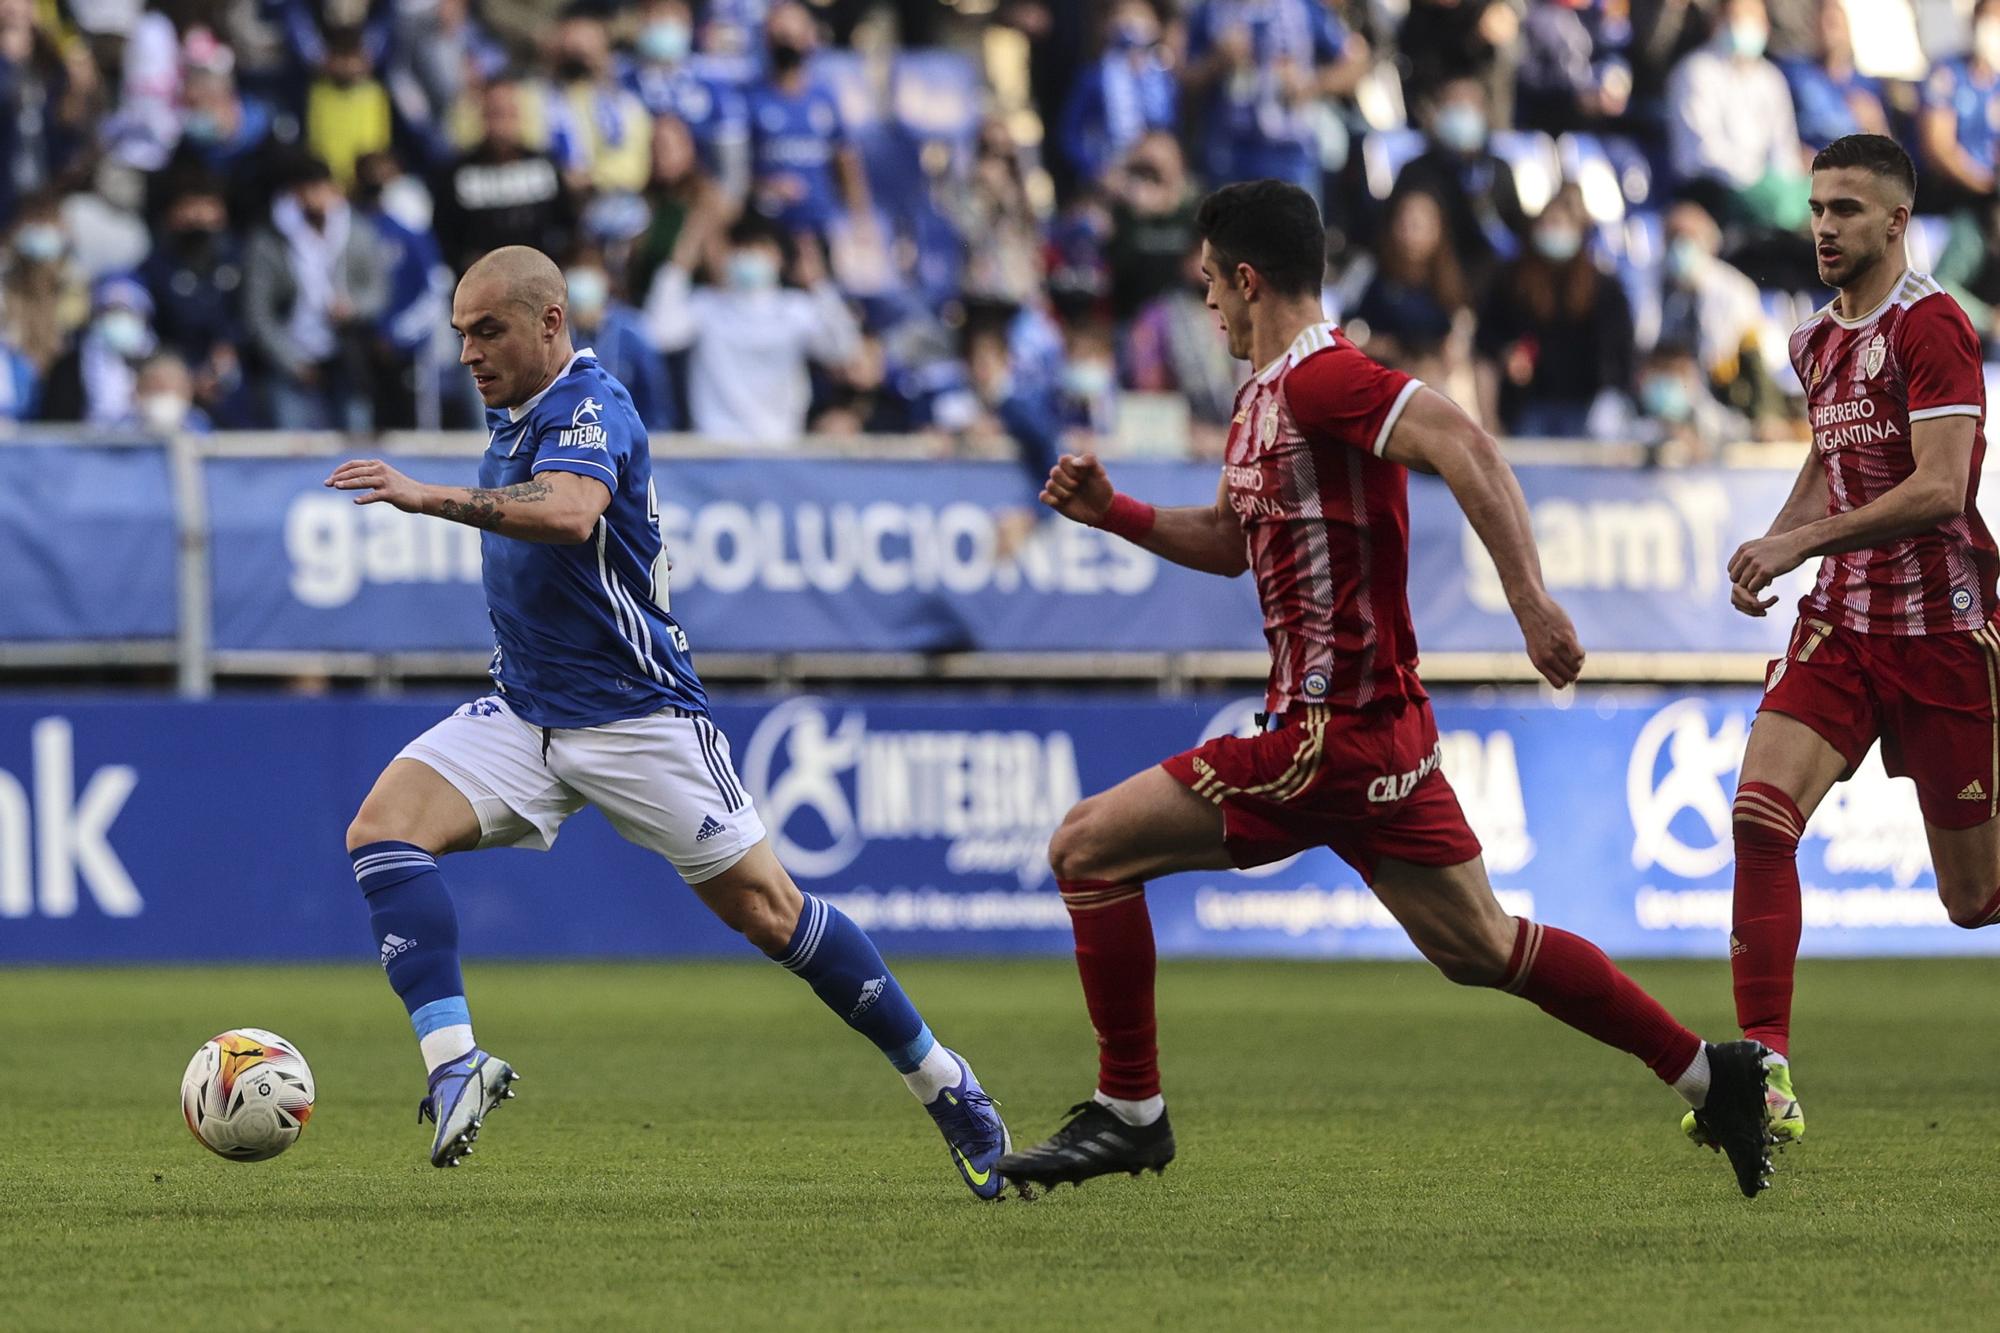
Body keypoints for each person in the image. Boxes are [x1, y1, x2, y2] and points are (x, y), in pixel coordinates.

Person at [996, 178, 1777, 1200]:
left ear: (1245, 279)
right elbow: (1232, 546)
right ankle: (1708, 1072)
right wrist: (1119, 514)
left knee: (1084, 847)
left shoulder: (1326, 381)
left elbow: (1461, 443)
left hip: (1329, 733)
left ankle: (1129, 1112)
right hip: (1380, 737)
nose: (1205, 308)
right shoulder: (1261, 402)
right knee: (1480, 944)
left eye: (1208, 287)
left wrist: (1530, 603)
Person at [322, 246, 1011, 1195]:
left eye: (488, 330)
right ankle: (454, 1064)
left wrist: (424, 493)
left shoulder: (591, 405)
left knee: (773, 914)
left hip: (636, 716)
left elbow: (568, 513)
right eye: (460, 335)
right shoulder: (513, 412)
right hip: (528, 710)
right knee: (383, 833)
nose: (470, 352)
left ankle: (944, 1081)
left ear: (551, 321)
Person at [1696, 134, 1998, 1156]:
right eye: (1816, 207)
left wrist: (1797, 538)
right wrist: (1783, 552)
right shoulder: (1811, 342)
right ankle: (1762, 1071)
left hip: (1942, 632)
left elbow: (1937, 486)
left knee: (1971, 901)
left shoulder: (1935, 326)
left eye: (1844, 210)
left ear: (1894, 222)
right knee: (1754, 813)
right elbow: (1831, 469)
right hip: (1839, 624)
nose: (1821, 226)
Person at [643, 212, 861, 445]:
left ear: (779, 257)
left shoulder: (796, 310)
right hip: (715, 448)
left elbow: (843, 349)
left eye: (760, 247)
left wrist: (819, 285)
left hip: (779, 446)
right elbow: (657, 334)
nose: (750, 255)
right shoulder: (706, 307)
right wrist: (680, 264)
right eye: (742, 248)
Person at [1475, 183, 1636, 437]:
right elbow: (1485, 339)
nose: (1553, 232)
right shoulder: (1510, 282)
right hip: (1528, 406)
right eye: (1547, 224)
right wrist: (1507, 353)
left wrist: (1612, 394)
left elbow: (1620, 350)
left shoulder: (1604, 287)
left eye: (1561, 225)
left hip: (1586, 406)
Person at [243, 154, 389, 431]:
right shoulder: (269, 241)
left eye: (320, 188)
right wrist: (291, 361)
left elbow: (377, 292)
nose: (315, 198)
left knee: (358, 441)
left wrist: (353, 307)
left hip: (346, 355)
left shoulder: (357, 232)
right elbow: (258, 314)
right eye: (306, 190)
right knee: (293, 447)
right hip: (292, 356)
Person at [1181, 0, 1366, 204]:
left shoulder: (1303, 8)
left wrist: (1311, 84)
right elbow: (1183, 78)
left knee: (1293, 233)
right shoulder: (1210, 9)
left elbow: (1356, 63)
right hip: (1226, 161)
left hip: (1292, 162)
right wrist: (1216, 61)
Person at [1388, 77, 1526, 304]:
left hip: (1489, 290)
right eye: (1454, 104)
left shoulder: (1498, 171)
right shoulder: (1415, 171)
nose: (1462, 113)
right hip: (1426, 291)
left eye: (1469, 105)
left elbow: (1514, 234)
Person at [745, 2, 871, 239]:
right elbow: (736, 172)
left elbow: (846, 161)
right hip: (766, 228)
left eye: (793, 35)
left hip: (820, 226)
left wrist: (860, 221)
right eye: (780, 36)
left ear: (810, 38)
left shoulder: (824, 98)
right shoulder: (751, 98)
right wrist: (763, 187)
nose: (787, 43)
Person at [432, 76, 576, 275]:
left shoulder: (544, 166)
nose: (502, 124)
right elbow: (444, 236)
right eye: (495, 113)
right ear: (482, 116)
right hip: (481, 285)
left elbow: (567, 227)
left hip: (539, 280)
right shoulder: (458, 174)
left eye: (509, 113)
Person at [1057, 0, 1178, 187]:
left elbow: (1171, 126)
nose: (1132, 22)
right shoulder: (1094, 76)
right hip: (1110, 173)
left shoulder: (1163, 75)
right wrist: (1093, 170)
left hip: (1156, 173)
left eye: (1140, 15)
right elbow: (1070, 133)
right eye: (1123, 14)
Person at [1916, 0, 2000, 211]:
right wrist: (1985, 186)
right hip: (1951, 195)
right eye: (1992, 18)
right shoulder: (1947, 74)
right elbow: (1939, 146)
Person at [1777, 0, 1887, 152]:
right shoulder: (1795, 75)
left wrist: (1876, 125)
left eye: (1833, 23)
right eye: (1822, 22)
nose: (1828, 31)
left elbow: (1888, 151)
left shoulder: (1868, 86)